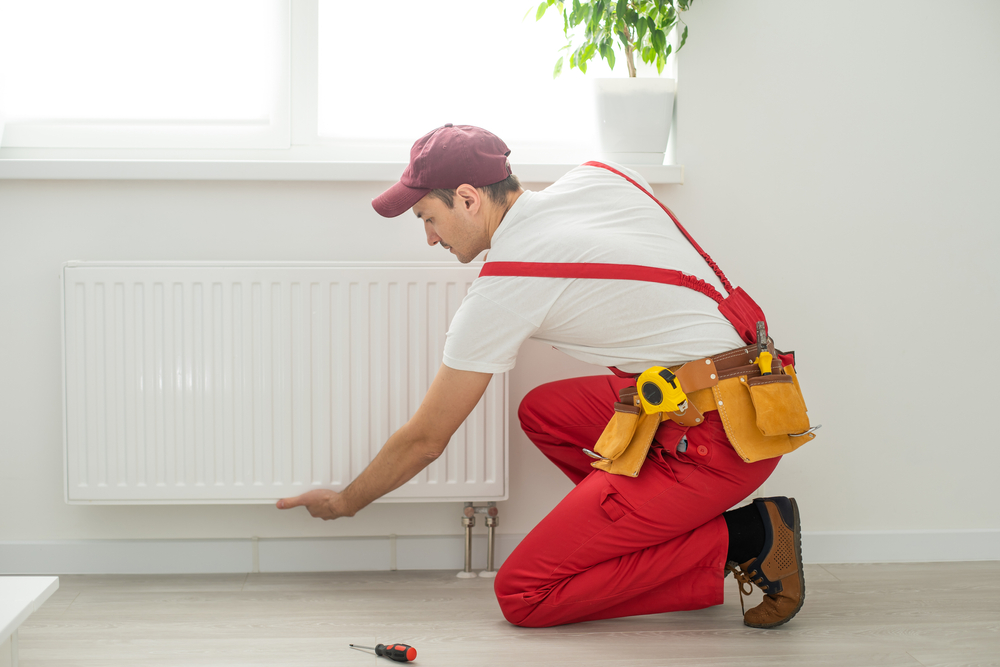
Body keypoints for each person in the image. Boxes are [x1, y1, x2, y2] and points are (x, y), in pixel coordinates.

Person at [276, 123, 805, 629]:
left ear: (467, 198)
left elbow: (425, 440)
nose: (430, 240)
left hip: (723, 441)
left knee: (524, 595)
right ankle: (662, 536)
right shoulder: (602, 175)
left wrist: (345, 503)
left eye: (427, 218)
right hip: (753, 390)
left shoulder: (506, 283)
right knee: (544, 413)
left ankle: (749, 536)